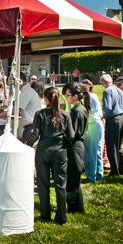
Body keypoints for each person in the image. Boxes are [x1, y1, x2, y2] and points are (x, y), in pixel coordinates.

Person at [32, 87, 74, 225]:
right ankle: (61, 216)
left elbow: (35, 134)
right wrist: (65, 144)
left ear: (45, 99)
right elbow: (71, 136)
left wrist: (25, 144)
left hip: (44, 150)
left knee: (43, 184)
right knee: (60, 184)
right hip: (60, 149)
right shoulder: (65, 115)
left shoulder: (40, 114)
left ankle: (45, 215)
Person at [65, 84, 88, 214]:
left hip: (75, 146)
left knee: (73, 178)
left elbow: (74, 133)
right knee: (73, 178)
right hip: (75, 145)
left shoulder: (78, 111)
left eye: (68, 95)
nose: (66, 97)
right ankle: (76, 208)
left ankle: (74, 208)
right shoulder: (77, 109)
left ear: (75, 96)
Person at [101, 74, 123, 177]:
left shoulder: (107, 91)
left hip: (113, 119)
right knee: (119, 146)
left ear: (102, 83)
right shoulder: (119, 90)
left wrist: (101, 114)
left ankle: (115, 171)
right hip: (122, 118)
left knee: (111, 146)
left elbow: (107, 107)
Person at [80, 80, 104, 182]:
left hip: (92, 125)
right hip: (98, 124)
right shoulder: (94, 96)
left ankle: (90, 176)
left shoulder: (89, 98)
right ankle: (99, 174)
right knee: (97, 151)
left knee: (90, 152)